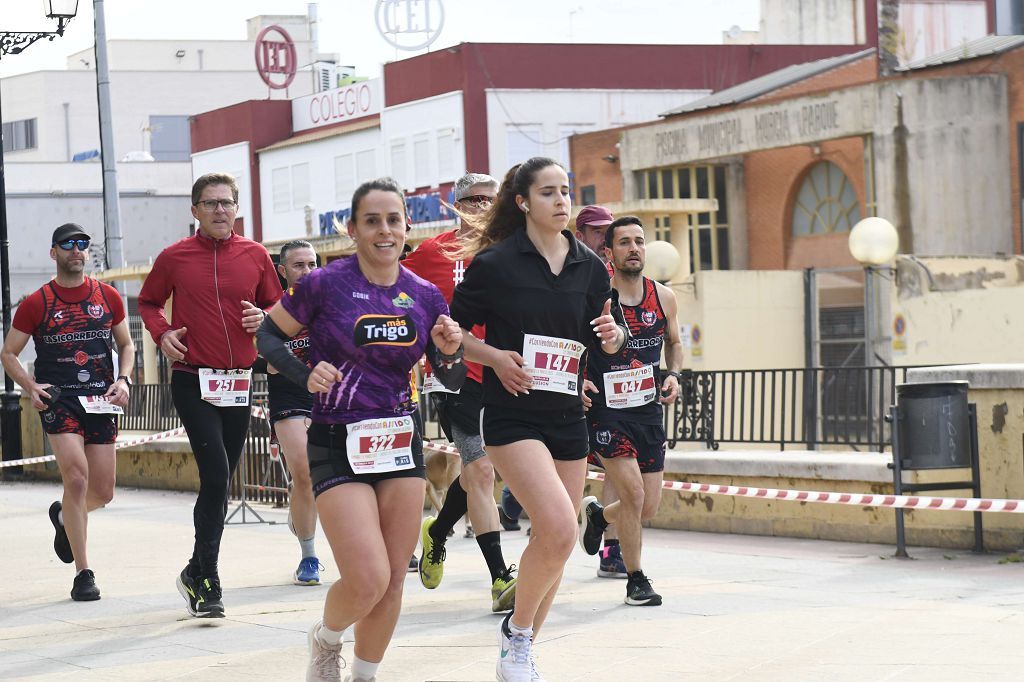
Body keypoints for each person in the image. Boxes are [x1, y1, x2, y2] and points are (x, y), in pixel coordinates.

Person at [256, 177, 466, 682]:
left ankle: (365, 675)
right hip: (335, 438)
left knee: (393, 581)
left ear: (406, 226)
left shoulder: (424, 294)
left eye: (393, 219)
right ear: (352, 229)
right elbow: (267, 335)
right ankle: (327, 639)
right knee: (367, 578)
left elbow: (451, 376)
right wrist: (303, 372)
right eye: (372, 220)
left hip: (399, 443)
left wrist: (452, 348)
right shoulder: (323, 284)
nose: (384, 230)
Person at [449, 157, 626, 682]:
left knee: (558, 539)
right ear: (523, 202)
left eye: (565, 191)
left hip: (568, 414)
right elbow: (454, 335)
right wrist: (498, 358)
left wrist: (612, 339)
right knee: (555, 525)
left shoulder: (591, 267)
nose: (561, 201)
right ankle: (518, 636)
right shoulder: (496, 263)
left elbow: (601, 336)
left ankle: (521, 646)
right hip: (512, 413)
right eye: (548, 193)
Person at [139, 173, 282, 618]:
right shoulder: (174, 257)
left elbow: (279, 308)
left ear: (237, 208)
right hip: (192, 379)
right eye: (211, 203)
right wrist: (162, 334)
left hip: (239, 380)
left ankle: (195, 569)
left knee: (219, 481)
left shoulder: (255, 254)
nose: (220, 210)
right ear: (195, 210)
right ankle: (209, 578)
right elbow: (147, 302)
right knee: (217, 475)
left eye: (227, 202)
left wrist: (264, 317)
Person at [402, 172, 517, 613]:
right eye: (474, 200)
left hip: (510, 376)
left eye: (492, 199)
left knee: (477, 476)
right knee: (482, 473)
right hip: (460, 379)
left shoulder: (514, 251)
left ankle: (438, 531)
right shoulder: (435, 252)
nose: (484, 207)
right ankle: (499, 577)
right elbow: (392, 288)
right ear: (457, 205)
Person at [1, 223, 134, 601]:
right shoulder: (38, 302)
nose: (77, 250)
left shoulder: (107, 296)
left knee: (103, 491)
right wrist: (31, 387)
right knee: (77, 478)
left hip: (101, 399)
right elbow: (8, 353)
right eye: (68, 245)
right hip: (60, 400)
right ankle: (84, 573)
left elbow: (127, 344)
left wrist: (123, 380)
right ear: (54, 252)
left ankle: (64, 515)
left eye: (82, 244)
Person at [578, 216, 684, 607]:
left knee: (648, 506)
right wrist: (579, 379)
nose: (634, 248)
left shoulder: (664, 297)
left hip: (647, 411)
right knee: (635, 494)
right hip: (605, 412)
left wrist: (673, 374)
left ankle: (600, 518)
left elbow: (674, 343)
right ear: (609, 252)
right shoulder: (596, 296)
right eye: (624, 242)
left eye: (639, 241)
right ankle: (636, 580)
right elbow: (572, 342)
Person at [265, 239, 323, 585]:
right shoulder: (273, 313)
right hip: (289, 394)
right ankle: (309, 556)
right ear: (283, 271)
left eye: (312, 264)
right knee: (304, 471)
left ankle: (299, 510)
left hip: (328, 395)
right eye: (299, 266)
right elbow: (268, 366)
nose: (306, 272)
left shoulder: (333, 304)